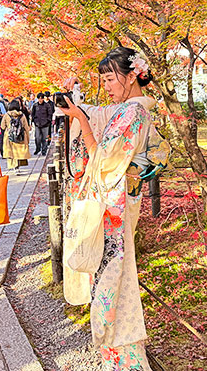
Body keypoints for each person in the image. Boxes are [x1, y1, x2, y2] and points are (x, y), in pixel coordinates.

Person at [60, 46, 169, 371]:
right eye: (104, 79)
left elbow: (105, 163)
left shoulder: (132, 113)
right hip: (118, 204)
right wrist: (81, 109)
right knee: (115, 285)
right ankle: (123, 359)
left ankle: (124, 363)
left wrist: (81, 120)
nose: (107, 86)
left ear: (133, 75)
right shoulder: (135, 110)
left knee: (110, 285)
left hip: (112, 207)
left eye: (110, 78)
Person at [1, 100, 31, 175]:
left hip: (9, 136)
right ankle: (17, 167)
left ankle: (14, 167)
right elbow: (26, 127)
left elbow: (2, 126)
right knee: (18, 152)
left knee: (12, 152)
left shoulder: (7, 115)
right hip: (20, 136)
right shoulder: (22, 115)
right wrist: (27, 138)